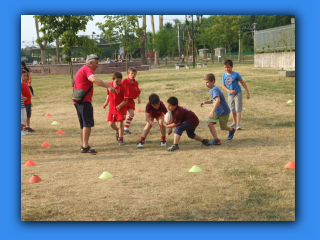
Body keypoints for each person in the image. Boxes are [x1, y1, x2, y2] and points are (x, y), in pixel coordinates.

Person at [73, 54, 118, 154]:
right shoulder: (88, 69)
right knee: (87, 124)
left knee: (83, 125)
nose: (97, 65)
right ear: (90, 62)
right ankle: (85, 147)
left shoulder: (83, 69)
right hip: (84, 102)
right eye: (96, 63)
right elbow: (94, 80)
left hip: (78, 101)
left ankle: (83, 145)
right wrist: (108, 86)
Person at [200, 73, 236, 145]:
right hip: (217, 111)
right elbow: (213, 100)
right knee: (209, 124)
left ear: (213, 81)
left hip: (223, 111)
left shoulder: (214, 89)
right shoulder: (212, 89)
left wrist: (212, 112)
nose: (206, 84)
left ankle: (232, 130)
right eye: (205, 83)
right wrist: (205, 102)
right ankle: (216, 140)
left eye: (207, 82)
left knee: (223, 127)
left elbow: (218, 100)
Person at [222, 59, 250, 130]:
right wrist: (229, 91)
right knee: (232, 109)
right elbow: (223, 85)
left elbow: (243, 83)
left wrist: (247, 92)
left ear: (232, 67)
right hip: (230, 94)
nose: (226, 69)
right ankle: (234, 122)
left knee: (238, 109)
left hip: (238, 93)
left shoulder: (236, 74)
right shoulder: (224, 75)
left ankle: (238, 124)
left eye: (228, 67)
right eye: (225, 67)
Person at [103, 72, 128, 145]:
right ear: (113, 79)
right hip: (112, 108)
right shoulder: (109, 85)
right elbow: (108, 94)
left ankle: (121, 139)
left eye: (120, 81)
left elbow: (126, 100)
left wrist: (120, 105)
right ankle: (118, 131)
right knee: (111, 124)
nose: (119, 82)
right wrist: (106, 103)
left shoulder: (123, 88)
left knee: (120, 123)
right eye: (117, 81)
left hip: (121, 108)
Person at [121, 67, 141, 135]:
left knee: (131, 114)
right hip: (124, 100)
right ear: (128, 74)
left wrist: (139, 98)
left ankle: (126, 128)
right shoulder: (124, 81)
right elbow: (120, 88)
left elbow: (138, 91)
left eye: (134, 74)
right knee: (122, 116)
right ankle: (119, 129)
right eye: (132, 73)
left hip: (131, 101)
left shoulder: (136, 83)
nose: (133, 75)